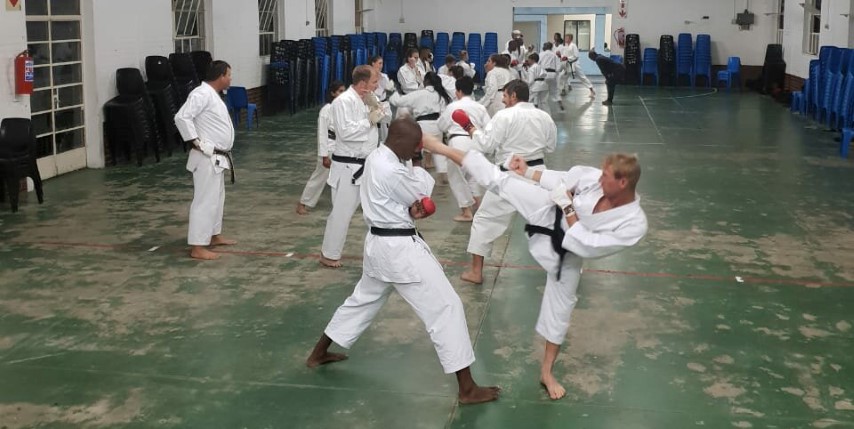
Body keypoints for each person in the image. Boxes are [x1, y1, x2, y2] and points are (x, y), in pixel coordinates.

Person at [422, 137, 647, 401]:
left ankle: (546, 373)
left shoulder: (633, 223)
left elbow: (588, 245)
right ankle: (438, 147)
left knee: (560, 308)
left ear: (623, 183)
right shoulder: (593, 178)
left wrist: (568, 206)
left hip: (569, 253)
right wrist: (527, 171)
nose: (600, 178)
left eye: (606, 177)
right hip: (548, 211)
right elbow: (562, 179)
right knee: (499, 180)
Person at [306, 118, 501, 406]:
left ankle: (318, 353)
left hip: (378, 245)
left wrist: (410, 202)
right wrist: (422, 160)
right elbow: (421, 196)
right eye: (413, 147)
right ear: (398, 142)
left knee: (362, 301)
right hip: (399, 251)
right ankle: (467, 388)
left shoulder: (378, 156)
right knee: (447, 307)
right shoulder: (391, 170)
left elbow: (409, 202)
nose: (415, 151)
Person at [462, 79, 556, 284]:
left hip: (509, 176)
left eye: (504, 95)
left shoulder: (504, 116)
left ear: (513, 95)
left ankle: (476, 272)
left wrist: (470, 128)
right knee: (549, 222)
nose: (503, 100)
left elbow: (486, 145)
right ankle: (564, 268)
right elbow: (551, 147)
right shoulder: (544, 116)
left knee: (484, 220)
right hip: (536, 175)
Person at [319, 65, 381, 268]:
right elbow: (345, 133)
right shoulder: (342, 102)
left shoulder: (367, 99)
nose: (377, 85)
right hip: (348, 167)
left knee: (376, 211)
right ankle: (329, 254)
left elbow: (383, 117)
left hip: (366, 164)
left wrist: (376, 108)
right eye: (374, 82)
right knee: (341, 213)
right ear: (363, 83)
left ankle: (381, 252)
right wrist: (368, 122)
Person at [174, 60, 236, 260]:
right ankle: (197, 246)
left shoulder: (212, 94)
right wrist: (196, 142)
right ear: (220, 76)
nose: (230, 79)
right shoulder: (201, 93)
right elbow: (182, 117)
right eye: (228, 75)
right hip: (206, 157)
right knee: (204, 201)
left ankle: (213, 235)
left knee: (217, 198)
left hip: (217, 158)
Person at [437, 76, 491, 221]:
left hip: (457, 141)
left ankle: (466, 211)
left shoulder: (452, 107)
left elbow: (441, 126)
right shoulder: (480, 107)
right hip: (475, 141)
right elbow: (488, 127)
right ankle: (478, 206)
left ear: (458, 91)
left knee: (456, 176)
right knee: (472, 176)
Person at [389, 72, 452, 182]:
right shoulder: (440, 95)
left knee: (415, 151)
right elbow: (444, 113)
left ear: (426, 81)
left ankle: (415, 174)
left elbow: (398, 102)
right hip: (437, 126)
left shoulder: (418, 94)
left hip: (422, 126)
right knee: (438, 151)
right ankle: (444, 176)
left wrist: (393, 91)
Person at [296, 81, 347, 215]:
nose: (343, 94)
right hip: (329, 147)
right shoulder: (326, 109)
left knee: (344, 176)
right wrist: (324, 156)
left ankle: (342, 205)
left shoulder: (344, 108)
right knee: (319, 177)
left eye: (344, 91)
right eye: (340, 91)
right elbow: (322, 133)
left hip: (341, 146)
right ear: (333, 93)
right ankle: (302, 203)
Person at [561, 34, 595, 98]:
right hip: (568, 64)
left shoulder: (573, 46)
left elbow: (576, 56)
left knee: (582, 77)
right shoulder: (566, 46)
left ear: (570, 39)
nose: (565, 39)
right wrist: (562, 57)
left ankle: (592, 90)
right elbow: (564, 55)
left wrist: (567, 58)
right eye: (565, 38)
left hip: (575, 64)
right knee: (563, 76)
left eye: (567, 38)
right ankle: (563, 90)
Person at [539, 42, 563, 112]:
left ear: (545, 47)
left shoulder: (541, 54)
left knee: (544, 93)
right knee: (555, 91)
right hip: (553, 74)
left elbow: (538, 64)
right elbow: (558, 67)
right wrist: (556, 74)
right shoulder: (554, 55)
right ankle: (559, 101)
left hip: (544, 74)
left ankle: (544, 109)